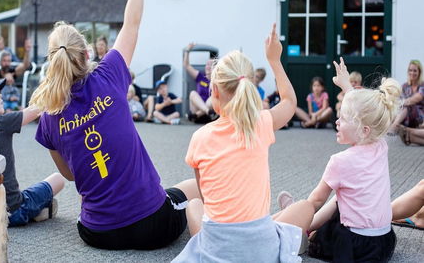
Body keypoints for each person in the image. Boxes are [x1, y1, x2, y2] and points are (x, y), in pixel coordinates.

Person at [29, 0, 201, 250]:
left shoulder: (49, 116)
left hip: (96, 233)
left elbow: (68, 174)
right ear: (87, 54)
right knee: (194, 188)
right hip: (152, 226)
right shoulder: (109, 76)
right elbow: (131, 24)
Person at [174, 24, 315, 262]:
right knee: (306, 208)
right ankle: (277, 231)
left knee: (194, 205)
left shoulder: (200, 137)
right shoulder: (260, 123)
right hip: (261, 249)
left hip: (216, 249)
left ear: (215, 90)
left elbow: (207, 199)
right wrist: (274, 60)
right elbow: (290, 102)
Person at [303, 58, 400, 262]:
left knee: (331, 214)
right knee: (345, 195)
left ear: (364, 130)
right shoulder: (380, 144)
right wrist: (346, 85)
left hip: (355, 244)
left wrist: (299, 214)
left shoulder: (340, 161)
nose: (337, 121)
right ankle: (308, 225)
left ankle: (302, 228)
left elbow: (316, 200)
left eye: (344, 118)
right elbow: (366, 114)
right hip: (383, 241)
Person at [0, 78, 65, 226]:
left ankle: (40, 211)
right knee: (58, 179)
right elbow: (37, 108)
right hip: (14, 208)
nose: (0, 95)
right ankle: (37, 211)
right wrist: (54, 82)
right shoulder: (2, 123)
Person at [390, 60, 424, 134]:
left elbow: (414, 100)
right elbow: (398, 99)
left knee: (407, 106)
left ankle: (393, 127)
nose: (412, 73)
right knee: (396, 107)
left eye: (415, 71)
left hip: (420, 117)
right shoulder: (404, 86)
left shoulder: (422, 86)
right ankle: (395, 126)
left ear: (419, 72)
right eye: (410, 70)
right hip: (405, 115)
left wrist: (400, 103)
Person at [183, 43, 214, 121]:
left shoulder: (216, 80)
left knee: (214, 97)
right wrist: (187, 51)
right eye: (207, 64)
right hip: (198, 110)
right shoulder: (200, 76)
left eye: (211, 65)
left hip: (207, 114)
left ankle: (198, 114)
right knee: (192, 93)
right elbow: (186, 65)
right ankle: (206, 111)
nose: (208, 66)